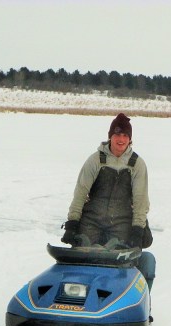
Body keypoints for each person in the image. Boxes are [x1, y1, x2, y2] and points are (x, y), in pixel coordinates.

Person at [61, 113, 156, 292]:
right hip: (91, 221)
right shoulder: (95, 160)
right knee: (83, 259)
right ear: (110, 136)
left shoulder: (137, 164)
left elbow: (141, 202)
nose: (121, 139)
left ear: (130, 139)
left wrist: (137, 230)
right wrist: (72, 223)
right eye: (117, 135)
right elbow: (80, 193)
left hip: (121, 223)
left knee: (119, 265)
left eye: (125, 136)